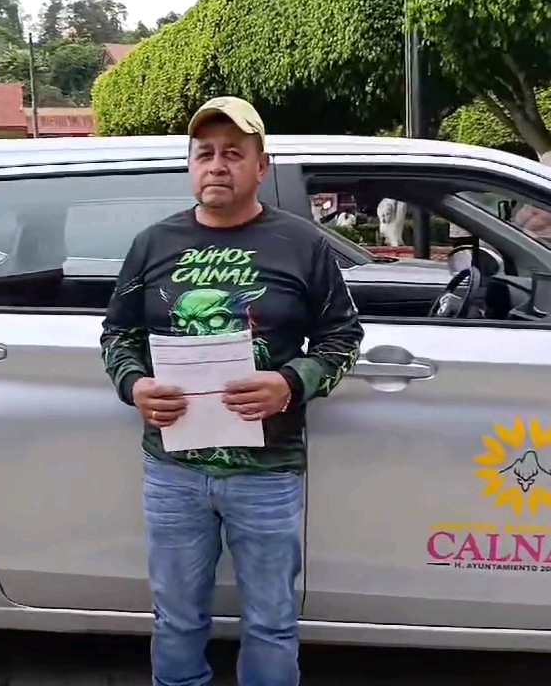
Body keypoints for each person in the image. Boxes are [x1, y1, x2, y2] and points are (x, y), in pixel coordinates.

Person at [100, 96, 365, 686]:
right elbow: (118, 333)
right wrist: (134, 386)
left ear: (261, 166)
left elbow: (343, 337)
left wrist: (291, 382)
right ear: (190, 165)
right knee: (176, 619)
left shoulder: (302, 244)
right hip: (173, 469)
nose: (217, 165)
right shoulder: (153, 244)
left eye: (233, 154)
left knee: (272, 622)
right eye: (205, 153)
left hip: (268, 471)